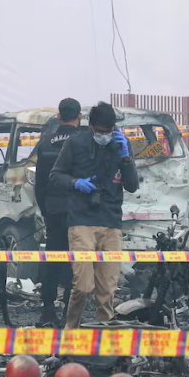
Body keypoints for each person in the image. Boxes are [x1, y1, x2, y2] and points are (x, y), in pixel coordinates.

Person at [50, 102, 139, 329]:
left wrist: (126, 158)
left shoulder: (122, 144)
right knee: (83, 286)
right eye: (99, 132)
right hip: (81, 221)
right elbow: (55, 176)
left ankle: (104, 341)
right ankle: (71, 332)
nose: (104, 136)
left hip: (111, 222)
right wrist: (76, 183)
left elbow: (132, 186)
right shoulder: (75, 142)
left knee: (107, 290)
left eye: (108, 132)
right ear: (89, 125)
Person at [34, 98, 82, 326]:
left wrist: (45, 209)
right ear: (79, 116)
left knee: (52, 259)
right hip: (78, 211)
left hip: (53, 209)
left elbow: (40, 183)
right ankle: (69, 310)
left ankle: (47, 310)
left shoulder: (45, 143)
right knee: (76, 261)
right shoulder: (84, 141)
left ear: (59, 116)